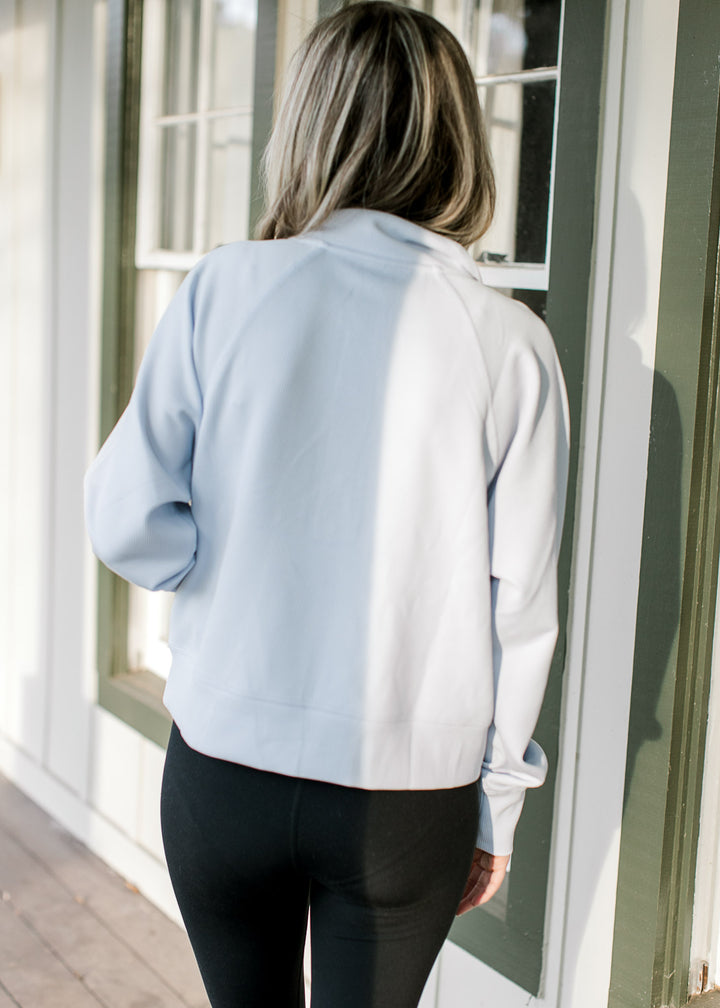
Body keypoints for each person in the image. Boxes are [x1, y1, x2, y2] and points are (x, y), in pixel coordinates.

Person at [84, 3, 570, 1006]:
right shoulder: (510, 343)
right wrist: (498, 815)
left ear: (308, 129)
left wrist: (225, 559)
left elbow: (125, 517)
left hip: (225, 770)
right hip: (405, 801)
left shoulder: (226, 289)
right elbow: (519, 613)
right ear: (457, 141)